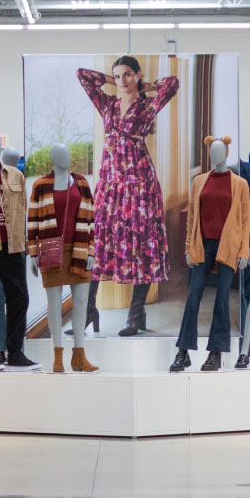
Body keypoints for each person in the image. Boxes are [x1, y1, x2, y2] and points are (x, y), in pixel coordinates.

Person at [77, 56, 180, 336]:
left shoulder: (147, 106)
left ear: (137, 75)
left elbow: (171, 85)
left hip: (140, 183)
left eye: (127, 75)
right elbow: (83, 75)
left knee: (142, 245)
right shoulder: (107, 104)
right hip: (110, 185)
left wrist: (141, 85)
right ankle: (88, 312)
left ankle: (137, 315)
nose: (121, 80)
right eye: (117, 76)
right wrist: (114, 80)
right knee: (98, 245)